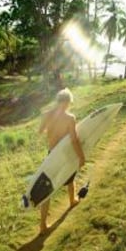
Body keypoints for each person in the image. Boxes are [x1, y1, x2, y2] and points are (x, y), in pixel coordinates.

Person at [38, 88, 85, 234]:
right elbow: (74, 140)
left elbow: (40, 131)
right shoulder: (70, 118)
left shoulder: (47, 114)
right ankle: (72, 201)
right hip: (65, 154)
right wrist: (81, 157)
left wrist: (51, 130)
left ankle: (43, 225)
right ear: (68, 102)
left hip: (52, 154)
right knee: (70, 178)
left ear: (58, 100)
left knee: (48, 188)